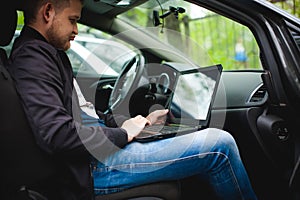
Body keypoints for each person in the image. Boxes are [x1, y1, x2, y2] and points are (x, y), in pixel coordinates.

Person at [7, 0, 257, 199]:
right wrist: (124, 134)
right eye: (73, 20)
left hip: (97, 156)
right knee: (220, 146)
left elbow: (82, 115)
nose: (76, 30)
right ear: (48, 11)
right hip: (91, 169)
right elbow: (58, 135)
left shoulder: (48, 53)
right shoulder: (33, 57)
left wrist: (140, 124)